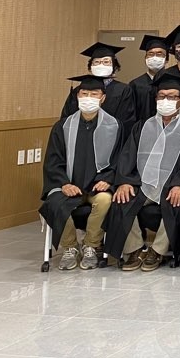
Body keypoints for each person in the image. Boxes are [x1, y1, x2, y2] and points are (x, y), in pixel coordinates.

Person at [104, 74, 180, 272]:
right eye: (162, 96)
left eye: (172, 97)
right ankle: (134, 249)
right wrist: (125, 181)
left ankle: (157, 251)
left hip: (171, 185)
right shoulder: (142, 127)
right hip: (142, 183)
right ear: (156, 99)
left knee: (176, 202)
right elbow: (127, 156)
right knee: (122, 200)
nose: (166, 100)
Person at [40, 74, 122, 270]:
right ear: (77, 96)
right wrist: (64, 183)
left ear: (103, 98)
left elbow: (119, 159)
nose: (88, 98)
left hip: (98, 186)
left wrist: (108, 179)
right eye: (84, 94)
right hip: (69, 184)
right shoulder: (62, 126)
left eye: (94, 94)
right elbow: (53, 161)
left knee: (105, 200)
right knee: (54, 202)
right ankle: (70, 247)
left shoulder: (115, 126)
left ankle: (91, 246)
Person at [60, 42, 136, 127]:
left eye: (106, 62)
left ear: (114, 66)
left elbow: (126, 121)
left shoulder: (123, 90)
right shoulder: (79, 90)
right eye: (96, 62)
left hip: (112, 133)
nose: (101, 65)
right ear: (90, 67)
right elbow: (67, 118)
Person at [129, 34, 169, 126]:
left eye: (159, 54)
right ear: (145, 59)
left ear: (166, 60)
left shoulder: (173, 83)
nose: (154, 57)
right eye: (150, 54)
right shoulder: (135, 84)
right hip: (141, 129)